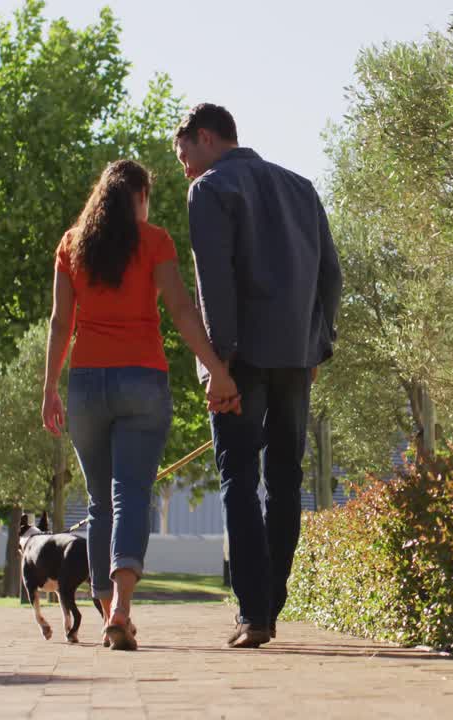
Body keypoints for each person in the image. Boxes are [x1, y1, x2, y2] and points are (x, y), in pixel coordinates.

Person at [41, 158, 241, 651]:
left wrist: (49, 388)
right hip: (143, 380)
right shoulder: (155, 242)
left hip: (86, 383)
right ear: (140, 198)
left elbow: (59, 323)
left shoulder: (72, 244)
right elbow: (180, 309)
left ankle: (111, 612)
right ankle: (123, 611)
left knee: (99, 500)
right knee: (131, 493)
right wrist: (217, 368)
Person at [174, 103, 342, 648]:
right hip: (297, 357)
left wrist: (215, 368)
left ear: (205, 138)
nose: (184, 168)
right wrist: (319, 346)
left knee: (239, 480)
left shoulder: (210, 189)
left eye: (183, 156)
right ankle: (270, 601)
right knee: (286, 480)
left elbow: (213, 284)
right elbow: (331, 276)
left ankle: (254, 613)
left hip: (239, 362)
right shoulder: (302, 187)